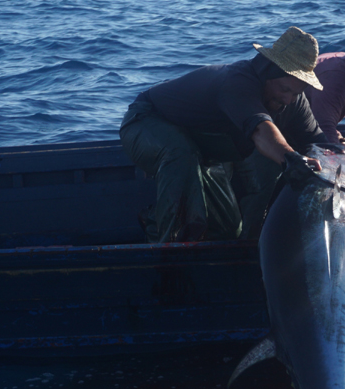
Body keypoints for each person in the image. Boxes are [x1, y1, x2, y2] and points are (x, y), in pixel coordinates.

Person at [120, 26, 330, 242]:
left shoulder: (293, 102)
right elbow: (261, 130)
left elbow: (319, 142)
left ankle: (154, 218)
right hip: (144, 121)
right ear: (268, 72)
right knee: (180, 154)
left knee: (228, 230)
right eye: (285, 89)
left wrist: (342, 154)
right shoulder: (238, 82)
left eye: (296, 93)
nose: (288, 99)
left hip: (199, 152)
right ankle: (167, 247)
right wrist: (291, 160)